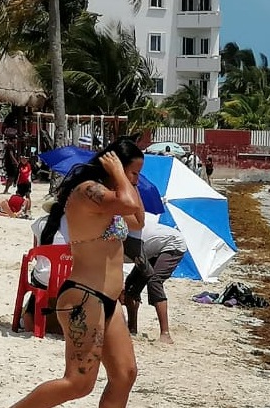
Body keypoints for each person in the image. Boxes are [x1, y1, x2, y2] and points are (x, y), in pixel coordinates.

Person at [10, 137, 143, 408]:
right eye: (134, 173)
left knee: (124, 374)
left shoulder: (111, 198)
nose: (135, 180)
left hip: (108, 300)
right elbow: (129, 205)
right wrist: (119, 173)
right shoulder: (88, 191)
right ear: (114, 165)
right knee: (78, 383)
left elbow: (138, 219)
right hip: (85, 297)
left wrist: (126, 179)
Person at [123, 219, 188, 343]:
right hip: (151, 249)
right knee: (130, 286)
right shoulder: (108, 243)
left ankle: (165, 334)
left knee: (154, 281)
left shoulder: (130, 244)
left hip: (173, 244)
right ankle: (132, 329)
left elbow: (147, 272)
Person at [21, 197, 70, 332]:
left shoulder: (40, 223)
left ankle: (32, 314)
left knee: (38, 274)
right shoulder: (77, 225)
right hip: (69, 281)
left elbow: (36, 255)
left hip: (44, 280)